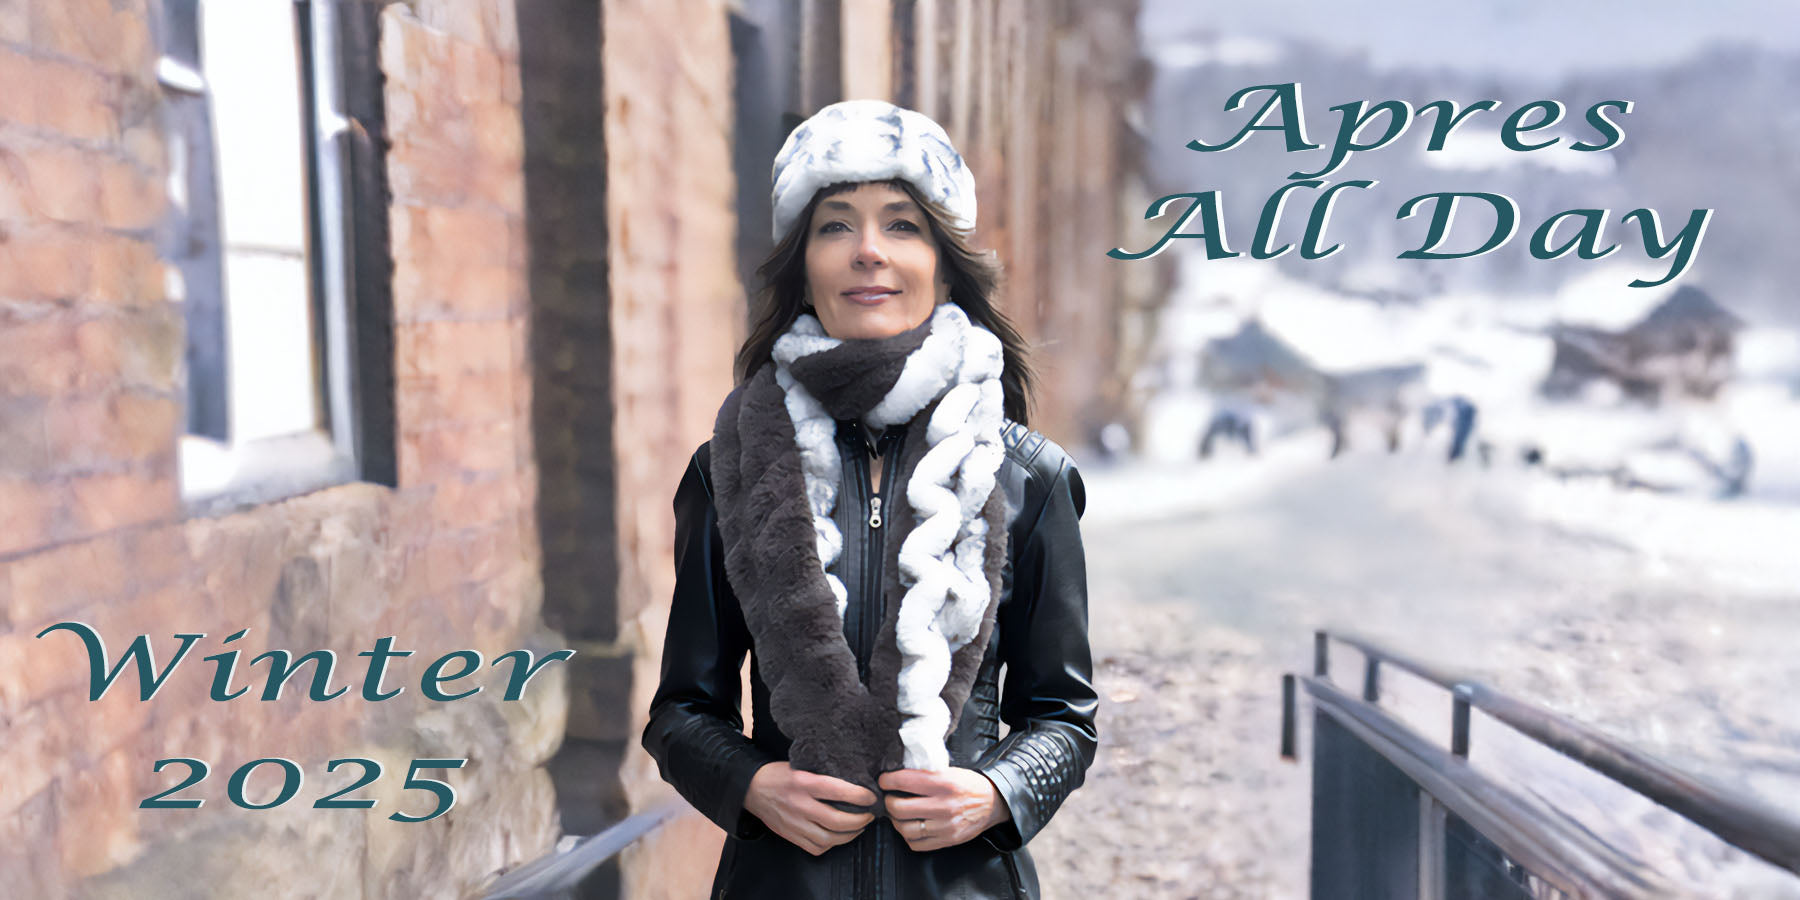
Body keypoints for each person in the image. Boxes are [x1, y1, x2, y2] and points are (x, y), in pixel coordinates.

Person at [642, 100, 1097, 900]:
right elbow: (681, 712)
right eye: (834, 226)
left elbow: (1063, 716)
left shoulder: (1029, 478)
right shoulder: (728, 471)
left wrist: (998, 792)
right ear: (804, 265)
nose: (867, 253)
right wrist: (750, 785)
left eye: (901, 225)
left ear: (945, 263)